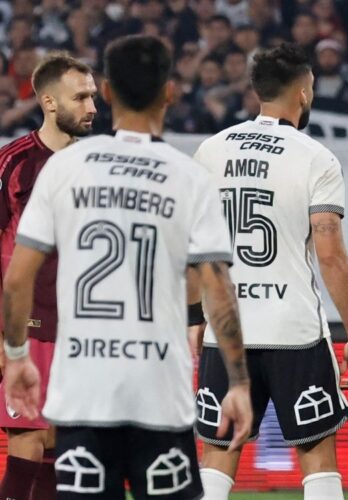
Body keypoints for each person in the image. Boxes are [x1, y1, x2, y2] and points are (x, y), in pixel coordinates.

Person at [1, 35, 253, 499]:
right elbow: (217, 287)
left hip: (84, 387)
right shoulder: (190, 178)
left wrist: (14, 356)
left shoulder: (66, 169)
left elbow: (17, 275)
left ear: (110, 92)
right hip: (158, 387)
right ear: (170, 92)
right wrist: (238, 382)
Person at [192, 42, 348, 500]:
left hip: (226, 328)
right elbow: (329, 254)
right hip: (293, 330)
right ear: (304, 92)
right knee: (318, 462)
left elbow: (196, 249)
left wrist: (196, 318)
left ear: (256, 91)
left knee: (218, 455)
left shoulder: (210, 151)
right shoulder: (315, 157)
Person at [0, 52, 96, 500]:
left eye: (93, 97)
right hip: (29, 328)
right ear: (49, 102)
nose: (92, 107)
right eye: (81, 97)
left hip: (84, 330)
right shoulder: (13, 164)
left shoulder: (100, 166)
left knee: (62, 448)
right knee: (27, 441)